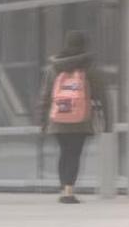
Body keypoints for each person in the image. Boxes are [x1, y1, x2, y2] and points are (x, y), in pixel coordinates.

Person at [39, 31, 111, 204]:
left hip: (58, 120)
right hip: (81, 120)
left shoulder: (53, 68)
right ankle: (69, 190)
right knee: (74, 154)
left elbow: (45, 96)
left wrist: (42, 120)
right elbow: (102, 96)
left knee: (64, 152)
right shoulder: (90, 69)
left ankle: (64, 188)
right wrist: (107, 121)